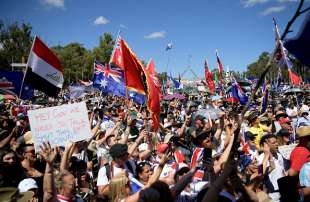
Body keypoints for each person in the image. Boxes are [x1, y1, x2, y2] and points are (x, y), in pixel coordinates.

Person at [258, 134, 286, 202]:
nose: (277, 144)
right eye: (273, 143)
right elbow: (260, 173)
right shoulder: (261, 158)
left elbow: (282, 172)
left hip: (283, 194)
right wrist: (267, 155)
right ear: (265, 145)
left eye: (276, 142)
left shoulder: (279, 155)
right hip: (272, 196)